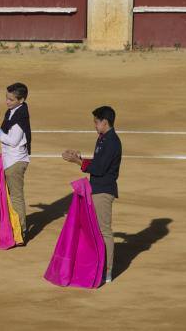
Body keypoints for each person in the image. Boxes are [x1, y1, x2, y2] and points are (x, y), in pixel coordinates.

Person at [62, 106, 122, 283]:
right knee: (96, 229)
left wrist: (78, 162)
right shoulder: (104, 139)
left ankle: (108, 271)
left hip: (103, 191)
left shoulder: (111, 142)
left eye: (96, 122)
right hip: (97, 188)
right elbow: (98, 162)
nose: (95, 125)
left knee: (104, 231)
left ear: (105, 122)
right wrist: (82, 158)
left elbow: (100, 168)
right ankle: (99, 265)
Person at [0, 83, 32, 239]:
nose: (7, 102)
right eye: (6, 98)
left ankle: (21, 232)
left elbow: (13, 140)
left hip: (15, 162)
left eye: (11, 99)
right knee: (11, 195)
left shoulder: (19, 115)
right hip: (11, 160)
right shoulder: (13, 111)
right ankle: (14, 227)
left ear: (21, 100)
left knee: (16, 196)